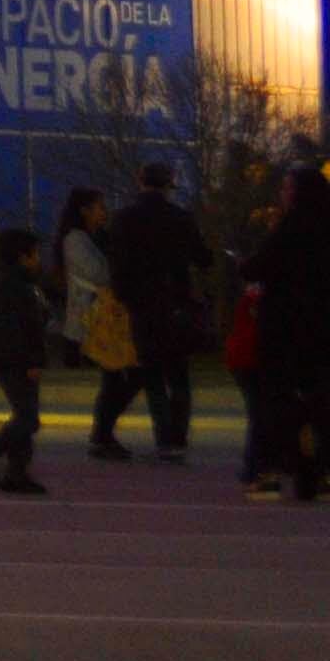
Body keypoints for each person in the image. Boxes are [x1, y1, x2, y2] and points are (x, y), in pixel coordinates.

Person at [93, 162, 212, 463]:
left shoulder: (125, 219)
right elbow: (203, 258)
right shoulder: (180, 218)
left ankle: (164, 439)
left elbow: (117, 264)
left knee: (153, 376)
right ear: (168, 184)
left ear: (140, 181)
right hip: (176, 304)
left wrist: (124, 295)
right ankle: (177, 439)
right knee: (179, 377)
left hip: (142, 306)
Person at [248, 165, 330, 504]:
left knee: (277, 401)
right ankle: (319, 473)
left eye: (286, 189)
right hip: (323, 328)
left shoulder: (288, 230)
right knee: (320, 401)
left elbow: (257, 266)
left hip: (284, 328)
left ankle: (273, 472)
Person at [0, 222, 50, 493]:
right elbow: (21, 328)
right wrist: (31, 360)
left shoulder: (13, 283)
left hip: (12, 359)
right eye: (35, 254)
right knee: (28, 419)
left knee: (24, 416)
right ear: (23, 256)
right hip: (16, 361)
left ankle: (17, 473)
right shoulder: (13, 285)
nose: (38, 260)